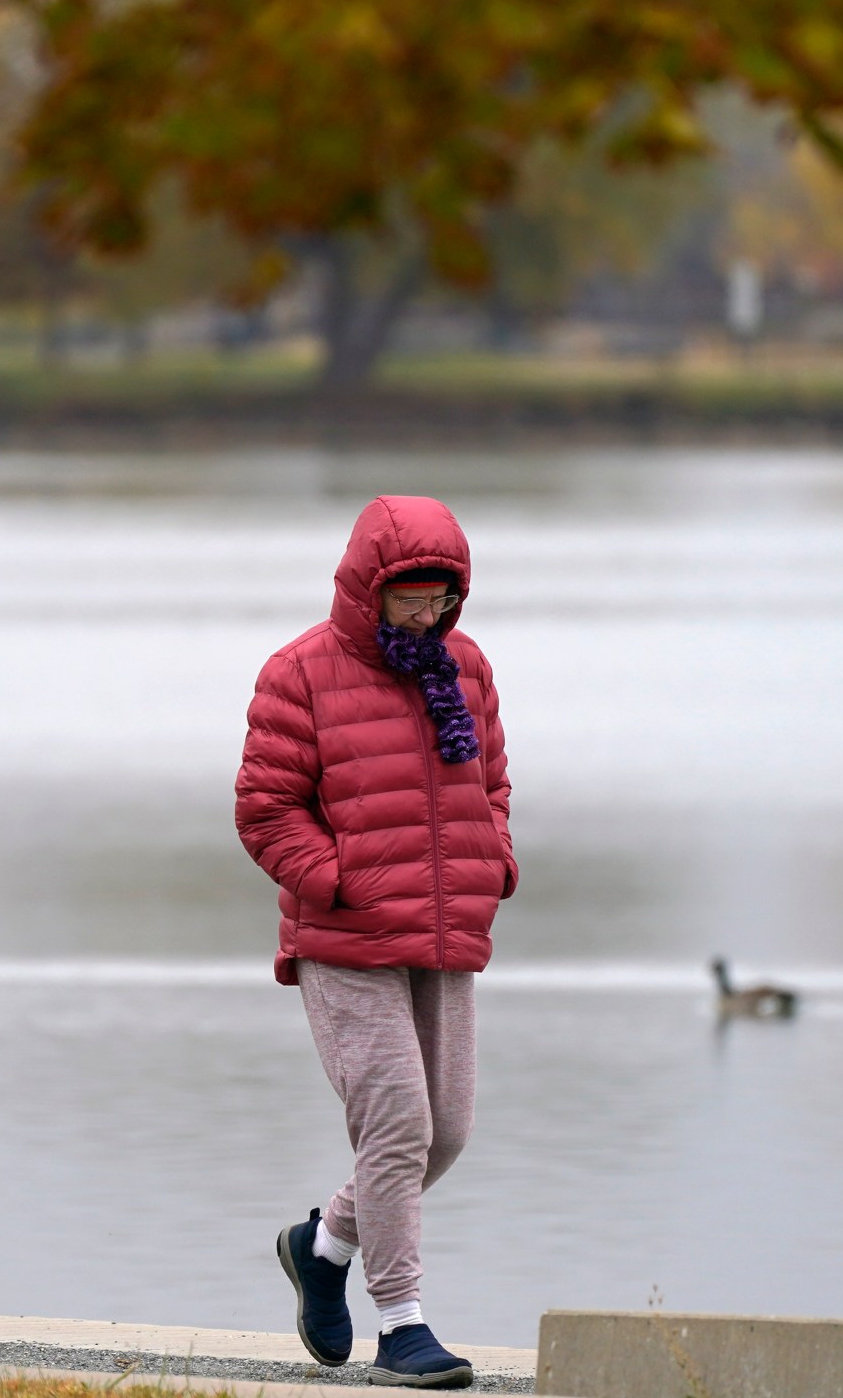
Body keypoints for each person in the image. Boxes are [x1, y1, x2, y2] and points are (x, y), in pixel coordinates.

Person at [234, 495, 515, 1390]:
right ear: (370, 588)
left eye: (441, 601)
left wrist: (494, 863)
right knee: (398, 1126)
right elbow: (265, 810)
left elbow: (494, 784)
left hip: (446, 930)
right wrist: (341, 881)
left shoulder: (465, 666)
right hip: (347, 938)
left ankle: (321, 1249)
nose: (428, 617)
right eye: (411, 602)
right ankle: (402, 1323)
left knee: (448, 1133)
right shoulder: (300, 673)